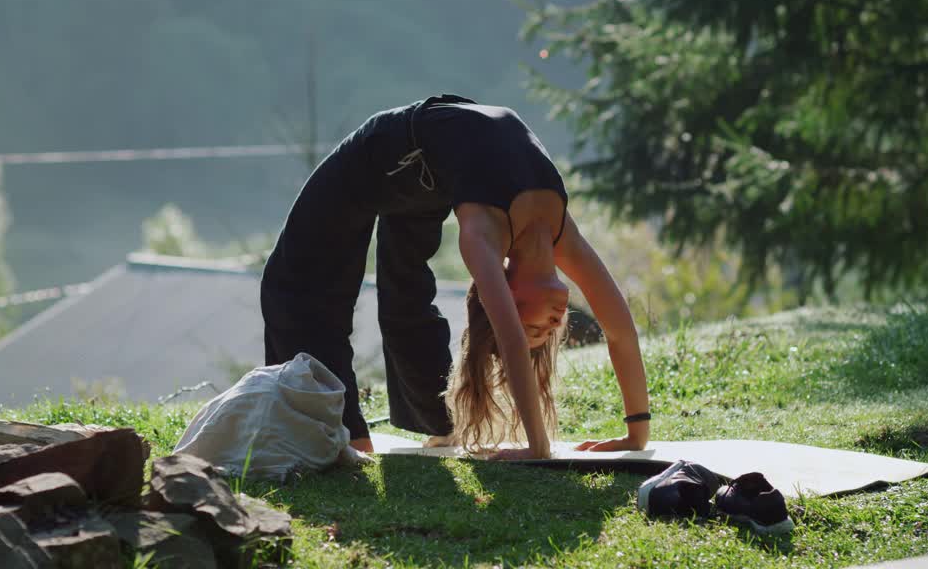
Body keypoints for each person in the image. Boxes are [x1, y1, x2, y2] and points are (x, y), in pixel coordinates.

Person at [260, 94, 649, 460]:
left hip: (429, 168)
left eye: (538, 333)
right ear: (508, 296)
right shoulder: (551, 231)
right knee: (296, 287)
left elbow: (605, 333)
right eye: (541, 334)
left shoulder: (487, 233)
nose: (551, 328)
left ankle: (379, 434)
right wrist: (540, 447)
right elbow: (616, 329)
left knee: (395, 292)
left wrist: (635, 436)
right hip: (388, 152)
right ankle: (349, 436)